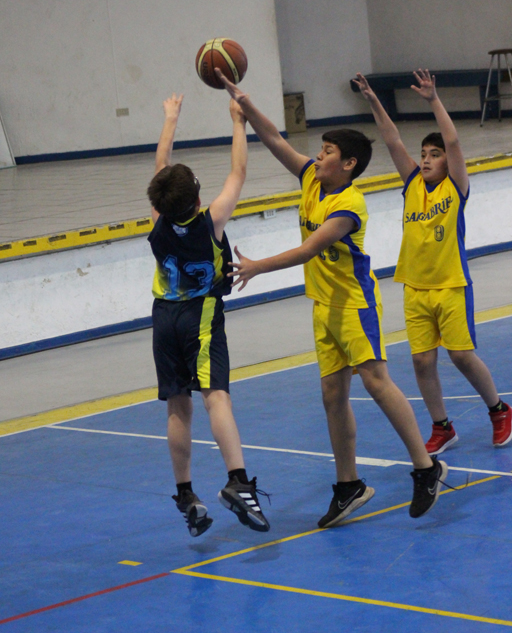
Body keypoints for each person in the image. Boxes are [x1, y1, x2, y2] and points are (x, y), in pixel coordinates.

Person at [215, 68, 447, 525]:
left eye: (327, 152)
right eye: (320, 150)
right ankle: (348, 485)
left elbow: (309, 249)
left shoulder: (349, 204)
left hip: (355, 304)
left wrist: (258, 266)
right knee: (332, 394)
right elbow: (274, 138)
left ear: (348, 165)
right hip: (324, 305)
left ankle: (426, 468)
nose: (318, 157)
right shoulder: (311, 179)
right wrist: (244, 103)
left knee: (376, 381)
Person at [354, 69, 512, 453]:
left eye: (434, 155)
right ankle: (442, 427)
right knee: (422, 362)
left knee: (461, 355)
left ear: (447, 162)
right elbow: (392, 139)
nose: (425, 160)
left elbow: (453, 140)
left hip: (451, 284)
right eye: (424, 154)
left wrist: (433, 100)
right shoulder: (411, 184)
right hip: (415, 287)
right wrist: (373, 100)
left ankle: (499, 410)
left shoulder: (455, 188)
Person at [146, 93, 270, 537]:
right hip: (200, 316)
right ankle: (238, 481)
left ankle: (185, 494)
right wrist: (238, 122)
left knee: (177, 407)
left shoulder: (158, 220)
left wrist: (170, 118)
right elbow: (238, 173)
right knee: (216, 397)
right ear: (198, 198)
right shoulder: (210, 222)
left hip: (163, 317)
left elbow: (161, 164)